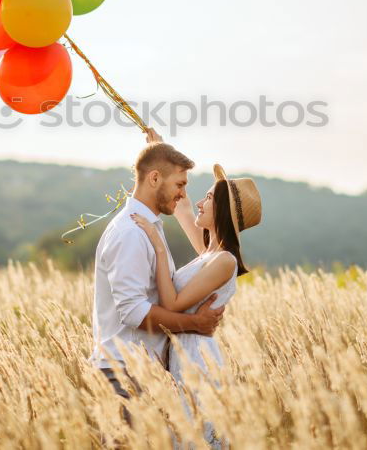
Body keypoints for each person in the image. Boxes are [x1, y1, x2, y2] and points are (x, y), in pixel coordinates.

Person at [90, 128, 225, 427]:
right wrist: (196, 324)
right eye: (179, 184)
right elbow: (133, 311)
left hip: (139, 369)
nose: (182, 193)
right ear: (154, 179)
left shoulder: (147, 226)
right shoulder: (130, 233)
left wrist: (161, 151)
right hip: (123, 371)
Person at [131, 157, 262, 449]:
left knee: (193, 437)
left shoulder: (225, 261)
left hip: (198, 361)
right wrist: (157, 153)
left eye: (210, 197)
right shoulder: (207, 253)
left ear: (224, 212)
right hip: (184, 355)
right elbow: (183, 206)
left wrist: (158, 244)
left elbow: (172, 303)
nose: (201, 201)